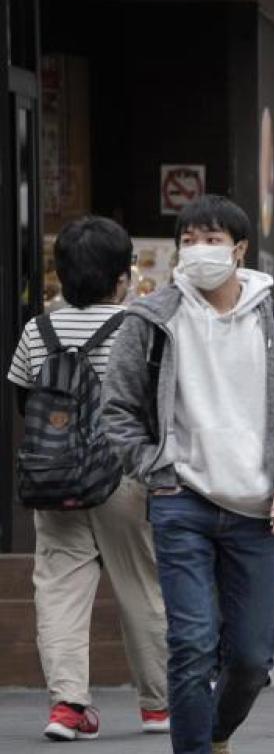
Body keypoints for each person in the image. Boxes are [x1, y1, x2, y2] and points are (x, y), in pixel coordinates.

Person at [102, 194, 274, 754]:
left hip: (256, 510)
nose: (199, 251)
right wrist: (154, 467)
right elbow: (117, 408)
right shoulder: (150, 320)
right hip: (183, 501)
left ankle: (215, 732)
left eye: (212, 240)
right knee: (193, 643)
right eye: (189, 240)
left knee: (251, 660)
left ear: (240, 249)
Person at [7, 216, 170, 742]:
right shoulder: (137, 327)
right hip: (121, 474)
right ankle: (158, 705)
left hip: (55, 476)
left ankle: (68, 706)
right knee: (140, 583)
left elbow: (24, 403)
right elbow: (153, 406)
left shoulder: (38, 329)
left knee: (58, 587)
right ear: (122, 277)